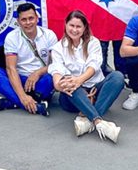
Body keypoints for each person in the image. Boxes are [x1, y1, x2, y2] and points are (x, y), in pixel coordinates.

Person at [50, 11, 126, 142]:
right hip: (73, 95)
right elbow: (57, 75)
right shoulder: (58, 48)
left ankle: (87, 119)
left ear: (85, 28)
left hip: (95, 89)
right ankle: (98, 122)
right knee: (69, 83)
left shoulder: (93, 42)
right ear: (65, 25)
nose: (74, 30)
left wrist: (79, 80)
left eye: (78, 26)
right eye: (71, 25)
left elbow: (94, 66)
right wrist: (61, 85)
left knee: (117, 77)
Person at [0, 2, 57, 115]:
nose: (28, 23)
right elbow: (11, 68)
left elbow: (56, 64)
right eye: (24, 19)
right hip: (19, 79)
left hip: (40, 80)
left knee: (51, 78)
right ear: (18, 22)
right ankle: (35, 105)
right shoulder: (12, 37)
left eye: (31, 18)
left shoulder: (49, 35)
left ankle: (12, 102)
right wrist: (22, 96)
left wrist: (37, 73)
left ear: (37, 18)